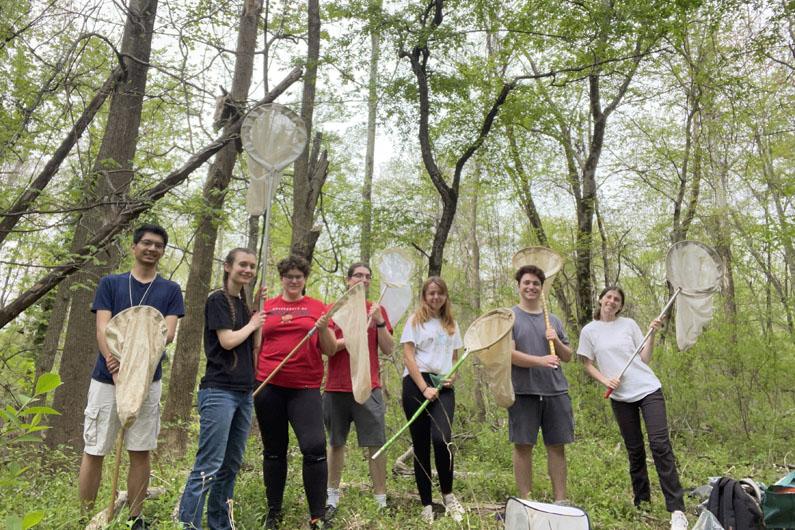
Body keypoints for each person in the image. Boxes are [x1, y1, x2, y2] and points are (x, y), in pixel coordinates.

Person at [78, 224, 185, 529]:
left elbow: (167, 333)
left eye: (159, 246)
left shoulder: (170, 290)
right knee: (95, 448)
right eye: (147, 243)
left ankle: (135, 518)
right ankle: (83, 516)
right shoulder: (111, 284)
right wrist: (114, 364)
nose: (152, 249)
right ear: (135, 246)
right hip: (106, 378)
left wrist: (137, 368)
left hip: (147, 381)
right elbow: (103, 327)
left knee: (140, 449)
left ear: (162, 252)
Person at [577, 286, 688, 530]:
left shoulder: (628, 325)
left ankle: (677, 510)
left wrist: (653, 334)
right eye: (609, 297)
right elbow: (586, 363)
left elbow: (644, 359)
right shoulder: (589, 331)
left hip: (648, 389)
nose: (612, 301)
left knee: (660, 445)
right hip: (619, 396)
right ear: (600, 300)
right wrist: (605, 380)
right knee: (635, 450)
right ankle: (643, 503)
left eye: (617, 299)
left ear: (620, 305)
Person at [178, 248, 265, 529]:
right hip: (219, 391)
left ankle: (220, 525)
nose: (248, 270)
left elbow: (255, 347)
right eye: (243, 264)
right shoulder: (217, 299)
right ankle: (189, 525)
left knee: (230, 466)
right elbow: (227, 341)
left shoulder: (243, 303)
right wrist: (253, 323)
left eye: (252, 266)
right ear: (228, 266)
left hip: (243, 392)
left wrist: (258, 315)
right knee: (209, 465)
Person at [254, 255, 338, 530]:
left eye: (298, 276)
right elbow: (255, 344)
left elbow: (330, 349)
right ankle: (273, 512)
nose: (293, 280)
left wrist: (324, 328)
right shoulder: (267, 307)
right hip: (269, 386)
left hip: (305, 388)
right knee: (274, 451)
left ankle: (317, 516)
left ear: (305, 279)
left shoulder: (317, 308)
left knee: (313, 447)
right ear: (281, 278)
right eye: (288, 276)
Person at [324, 263, 394, 519]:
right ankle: (331, 496)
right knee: (336, 442)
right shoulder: (334, 309)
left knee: (376, 444)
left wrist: (378, 323)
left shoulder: (377, 309)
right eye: (358, 276)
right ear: (347, 280)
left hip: (369, 386)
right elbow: (329, 348)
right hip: (336, 387)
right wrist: (352, 336)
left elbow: (389, 349)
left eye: (367, 277)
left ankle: (380, 500)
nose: (363, 280)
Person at [400, 276, 466, 524]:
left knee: (442, 440)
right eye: (430, 293)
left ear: (445, 296)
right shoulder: (416, 322)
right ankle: (426, 504)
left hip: (443, 386)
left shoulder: (451, 324)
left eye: (439, 293)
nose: (435, 297)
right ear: (424, 297)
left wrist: (452, 377)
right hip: (417, 384)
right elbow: (408, 357)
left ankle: (449, 497)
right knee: (421, 445)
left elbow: (455, 356)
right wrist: (424, 387)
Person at [508, 265, 573, 503]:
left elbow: (567, 356)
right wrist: (540, 360)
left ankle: (561, 501)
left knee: (557, 446)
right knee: (523, 446)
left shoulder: (552, 320)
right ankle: (526, 500)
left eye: (536, 283)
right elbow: (510, 355)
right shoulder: (511, 317)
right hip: (524, 391)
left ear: (541, 288)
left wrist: (555, 339)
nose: (531, 287)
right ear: (519, 286)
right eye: (527, 282)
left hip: (555, 390)